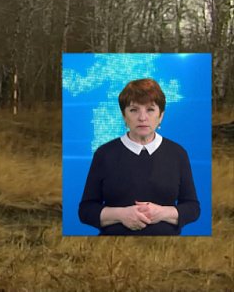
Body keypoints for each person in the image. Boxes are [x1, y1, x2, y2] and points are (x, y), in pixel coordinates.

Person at [78, 78, 200, 235]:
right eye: (134, 110)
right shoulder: (104, 154)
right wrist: (121, 215)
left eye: (150, 110)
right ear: (124, 116)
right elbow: (86, 210)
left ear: (161, 116)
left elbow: (193, 208)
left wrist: (162, 213)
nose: (142, 117)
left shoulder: (178, 153)